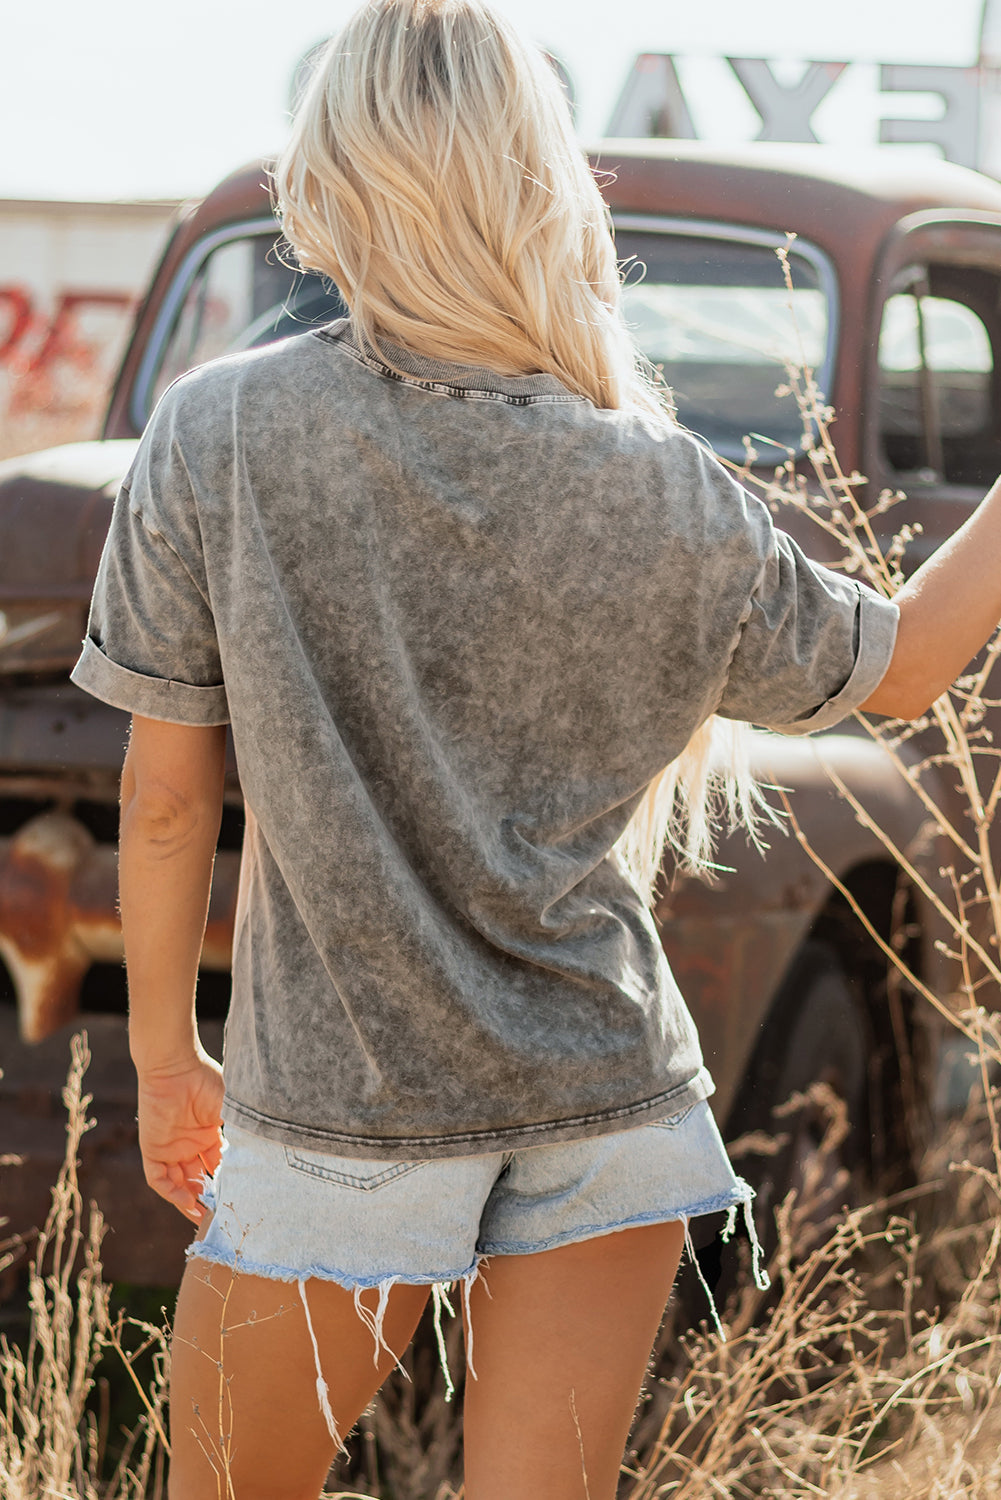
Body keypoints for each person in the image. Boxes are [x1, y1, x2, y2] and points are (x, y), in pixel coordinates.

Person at [70, 2, 1001, 1496]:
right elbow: (900, 670)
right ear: (544, 182)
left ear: (335, 176)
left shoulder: (220, 431)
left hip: (343, 1115)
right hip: (611, 1102)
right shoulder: (659, 476)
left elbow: (167, 800)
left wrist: (167, 1056)